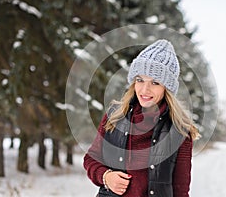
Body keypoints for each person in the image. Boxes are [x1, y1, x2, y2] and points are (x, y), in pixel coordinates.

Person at [83, 39, 200, 197]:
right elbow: (91, 159)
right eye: (140, 80)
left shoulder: (179, 131)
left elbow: (181, 191)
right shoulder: (114, 116)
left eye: (155, 82)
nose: (145, 89)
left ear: (167, 88)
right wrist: (106, 177)